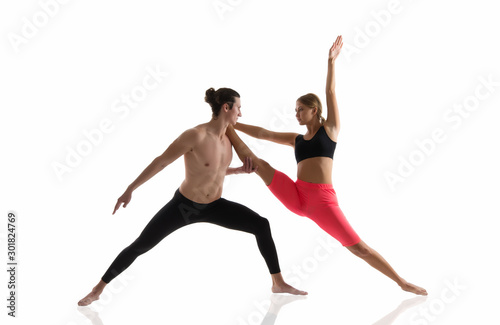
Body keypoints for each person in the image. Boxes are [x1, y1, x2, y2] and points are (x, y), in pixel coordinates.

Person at [225, 35, 427, 296]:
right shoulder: (295, 139)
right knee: (258, 164)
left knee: (359, 248)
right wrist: (232, 124)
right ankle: (224, 127)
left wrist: (331, 62)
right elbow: (264, 133)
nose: (296, 114)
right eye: (295, 110)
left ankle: (402, 282)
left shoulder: (329, 130)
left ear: (313, 109)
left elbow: (330, 92)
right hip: (297, 195)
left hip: (322, 202)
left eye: (299, 109)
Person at [78, 87, 307, 306]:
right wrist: (130, 188)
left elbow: (213, 169)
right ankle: (98, 289)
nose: (241, 113)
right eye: (239, 107)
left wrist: (237, 170)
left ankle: (278, 283)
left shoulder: (228, 139)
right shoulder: (195, 135)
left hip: (215, 206)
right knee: (142, 244)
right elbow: (161, 161)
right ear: (227, 107)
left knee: (261, 224)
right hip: (184, 206)